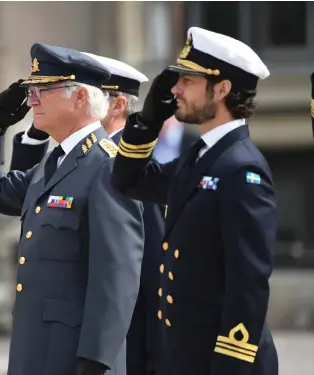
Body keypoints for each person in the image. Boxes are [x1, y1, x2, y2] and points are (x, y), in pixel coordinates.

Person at [0, 43, 145, 375]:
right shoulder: (55, 164)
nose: (32, 99)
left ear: (80, 98)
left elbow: (116, 278)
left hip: (74, 358)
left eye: (44, 89)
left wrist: (95, 362)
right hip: (35, 352)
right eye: (32, 89)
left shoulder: (108, 167)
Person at [111, 27, 278, 375]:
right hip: (184, 357)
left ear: (222, 88)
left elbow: (247, 285)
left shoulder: (242, 168)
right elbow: (129, 181)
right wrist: (148, 121)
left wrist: (230, 365)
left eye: (188, 80)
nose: (175, 90)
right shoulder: (201, 157)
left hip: (224, 363)